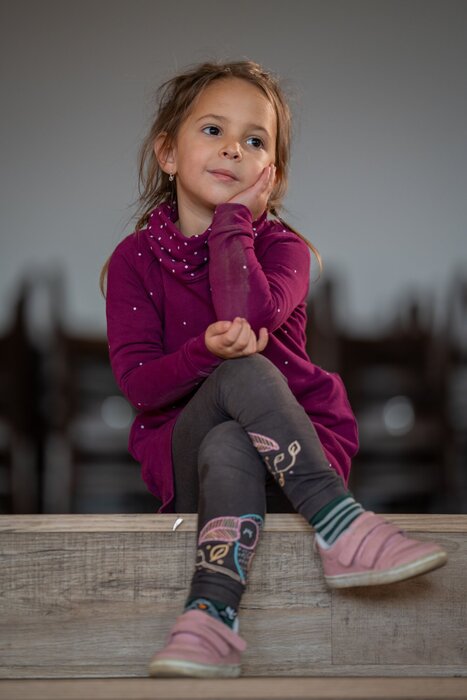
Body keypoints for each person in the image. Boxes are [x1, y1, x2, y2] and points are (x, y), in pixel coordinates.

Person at [100, 59, 447, 678]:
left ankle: (210, 616)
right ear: (168, 153)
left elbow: (248, 316)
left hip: (292, 449)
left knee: (236, 417)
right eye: (213, 130)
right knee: (232, 381)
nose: (233, 147)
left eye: (255, 140)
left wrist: (233, 221)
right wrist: (204, 353)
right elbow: (140, 386)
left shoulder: (284, 249)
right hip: (189, 459)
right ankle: (341, 524)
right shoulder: (134, 261)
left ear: (272, 175)